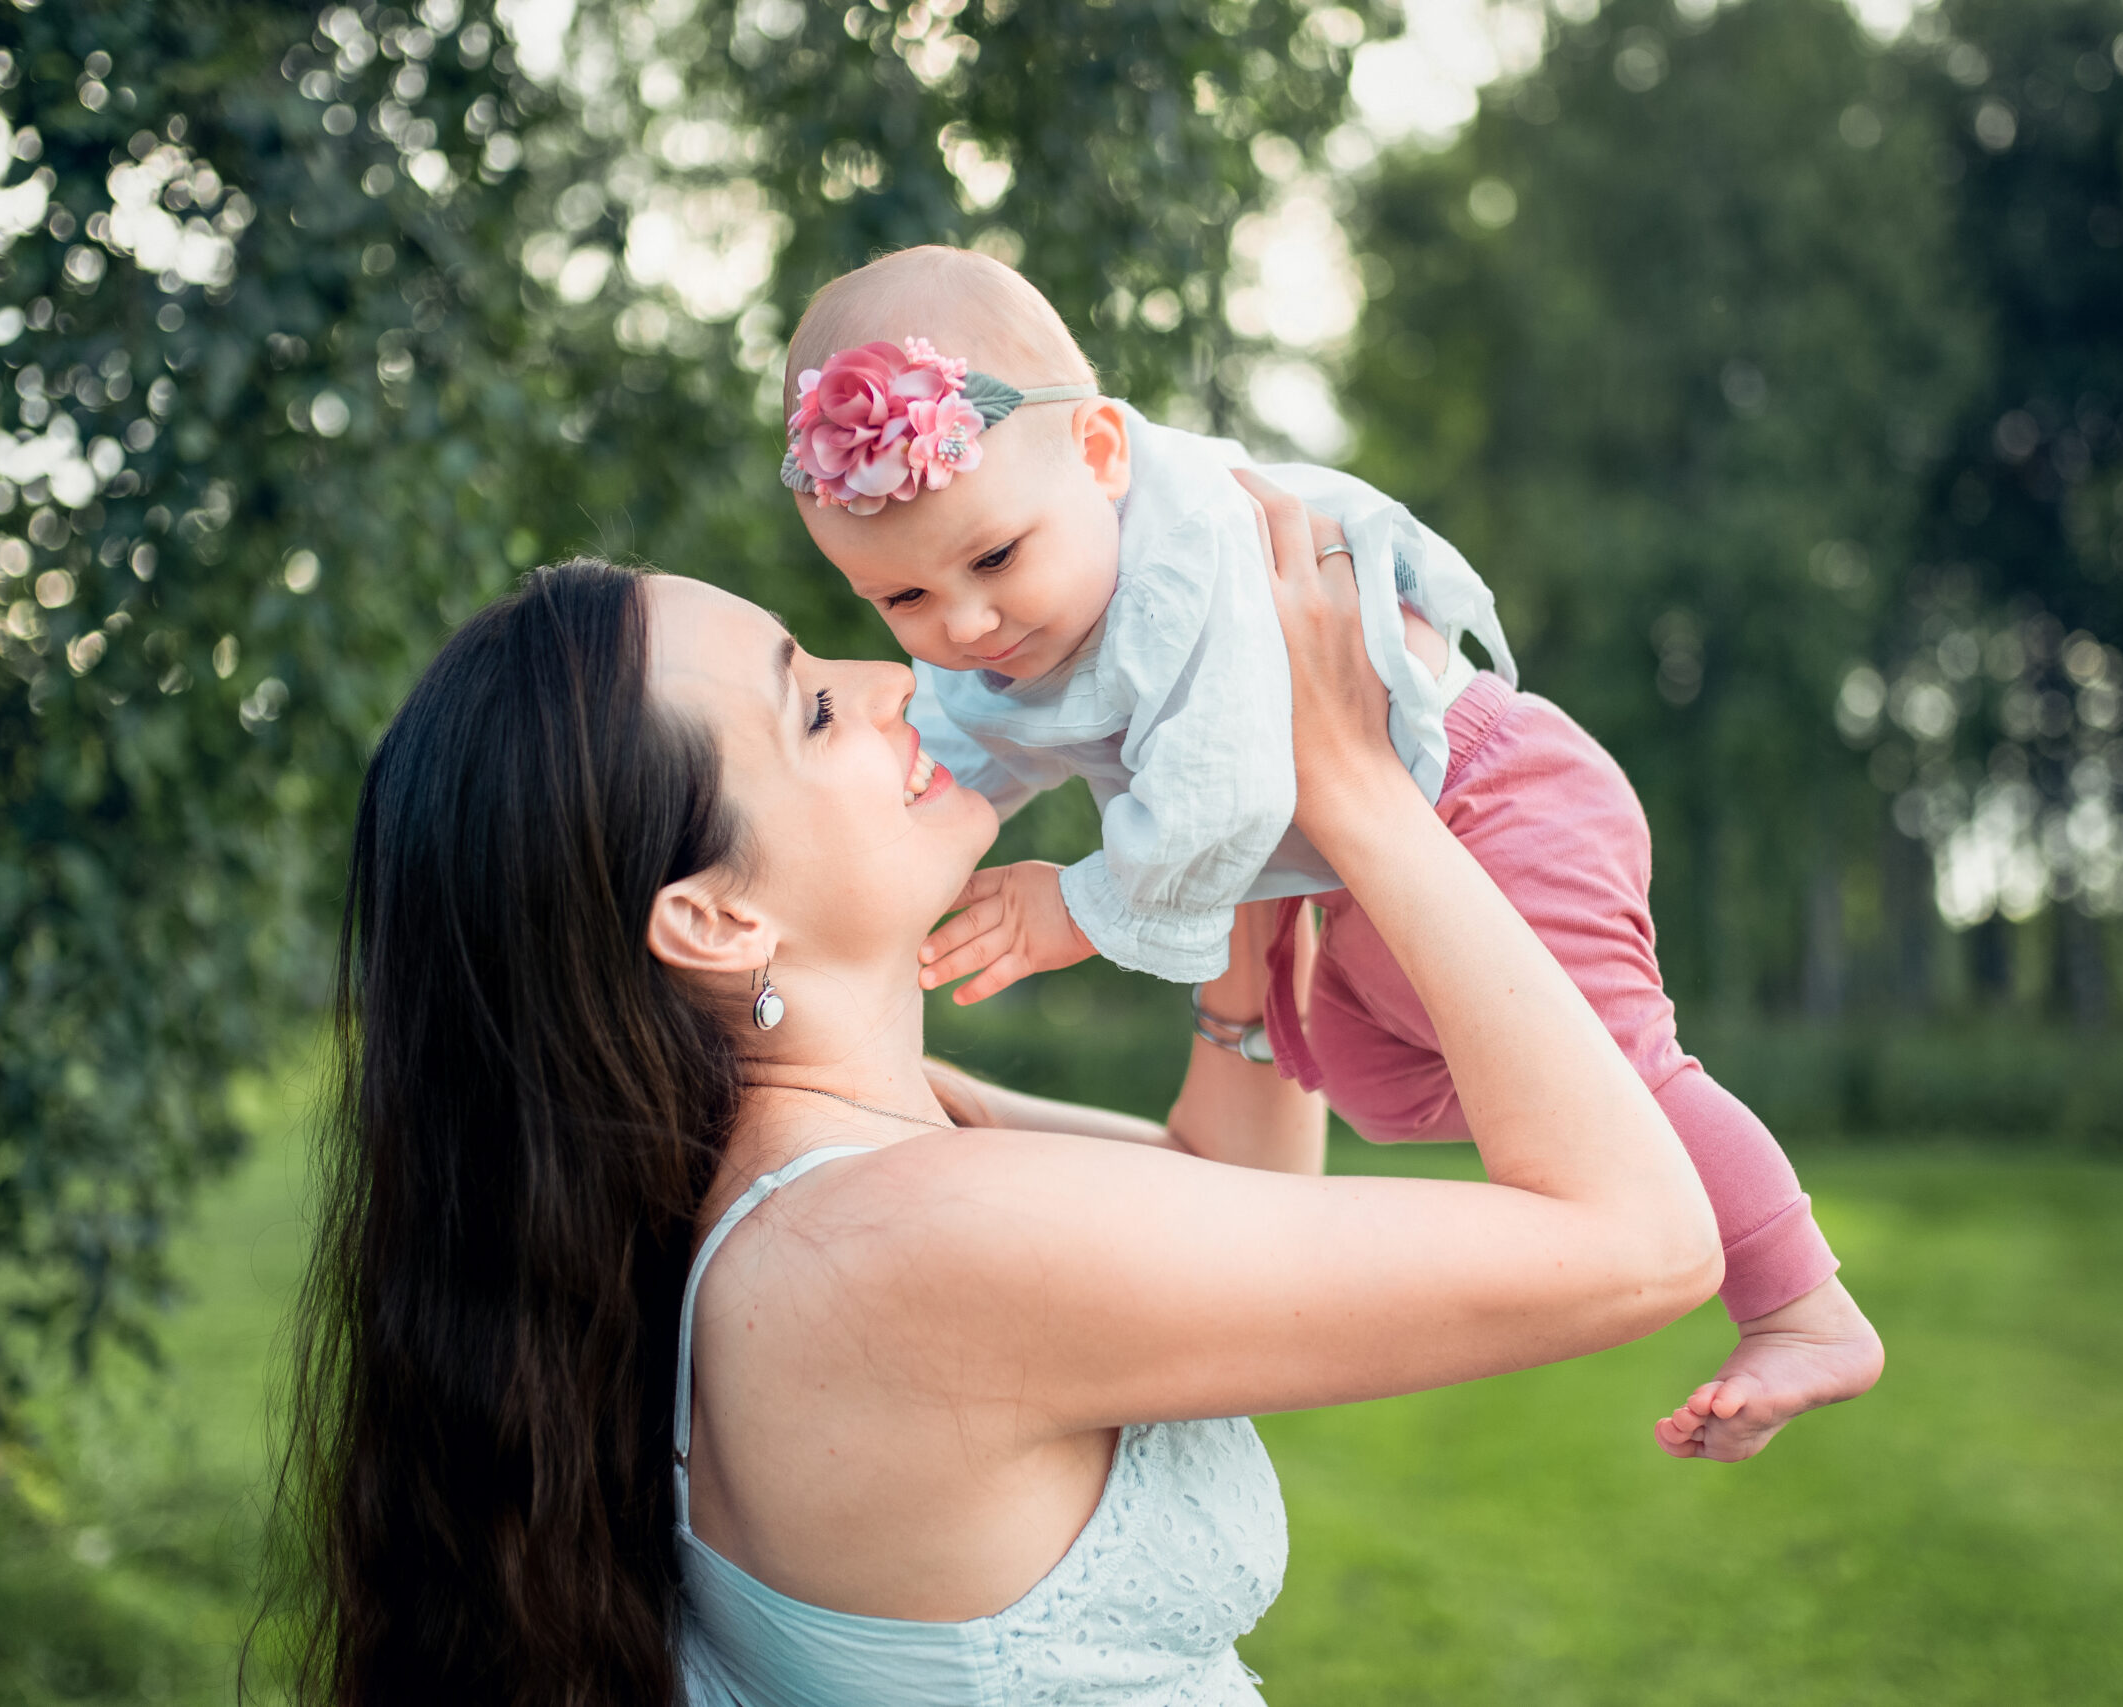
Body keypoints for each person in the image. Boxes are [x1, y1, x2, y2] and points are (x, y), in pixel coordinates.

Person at [281, 495, 1724, 1705]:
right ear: (714, 918)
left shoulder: (857, 1167)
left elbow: (1224, 1195)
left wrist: (1235, 836)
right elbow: (1639, 1240)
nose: (897, 679)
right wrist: (1357, 786)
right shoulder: (892, 1247)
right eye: (814, 706)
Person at [779, 245, 1882, 1462]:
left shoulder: (1189, 561)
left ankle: (1800, 1307)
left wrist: (1075, 907)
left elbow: (1224, 787)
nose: (965, 622)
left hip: (1490, 799)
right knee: (1371, 1084)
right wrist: (871, 853)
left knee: (1621, 1073)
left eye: (992, 560)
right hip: (1346, 878)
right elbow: (958, 744)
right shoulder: (1020, 603)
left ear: (1099, 454)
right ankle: (1551, 1113)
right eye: (900, 602)